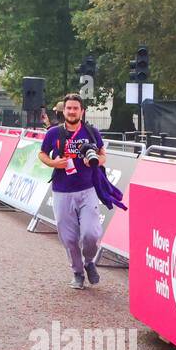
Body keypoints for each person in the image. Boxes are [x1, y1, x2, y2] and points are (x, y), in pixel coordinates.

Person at [38, 93, 107, 289]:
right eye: (69, 108)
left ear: (82, 111)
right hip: (62, 191)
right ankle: (77, 272)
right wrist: (54, 162)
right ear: (64, 110)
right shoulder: (54, 133)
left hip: (87, 189)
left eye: (76, 108)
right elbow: (41, 153)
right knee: (69, 238)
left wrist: (94, 161)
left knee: (91, 234)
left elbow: (103, 155)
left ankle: (88, 262)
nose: (72, 111)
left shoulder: (91, 132)